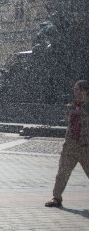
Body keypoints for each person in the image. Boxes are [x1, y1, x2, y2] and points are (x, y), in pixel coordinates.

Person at [45, 80, 89, 208]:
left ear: (85, 91)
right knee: (62, 173)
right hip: (70, 146)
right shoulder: (72, 106)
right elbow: (68, 120)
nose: (75, 92)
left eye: (78, 89)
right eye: (75, 89)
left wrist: (82, 114)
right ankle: (56, 198)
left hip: (86, 147)